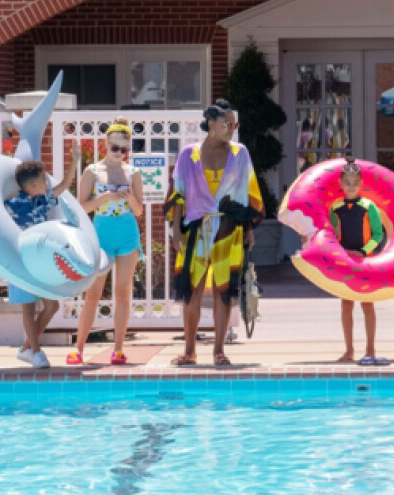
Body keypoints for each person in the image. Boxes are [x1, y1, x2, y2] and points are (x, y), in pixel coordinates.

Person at [164, 99, 264, 367]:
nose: (231, 129)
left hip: (229, 230)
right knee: (191, 291)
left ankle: (219, 350)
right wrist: (176, 231)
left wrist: (249, 229)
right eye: (225, 124)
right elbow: (178, 193)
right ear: (210, 124)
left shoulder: (240, 153)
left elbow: (248, 192)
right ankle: (189, 351)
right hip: (195, 232)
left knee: (224, 290)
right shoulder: (189, 154)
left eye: (234, 125)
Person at [66, 118, 143, 366]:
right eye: (115, 147)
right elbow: (82, 207)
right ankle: (78, 349)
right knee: (93, 293)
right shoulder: (92, 171)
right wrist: (105, 198)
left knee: (122, 293)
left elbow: (139, 211)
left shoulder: (133, 173)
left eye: (124, 149)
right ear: (105, 145)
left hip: (127, 232)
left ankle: (118, 349)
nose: (119, 153)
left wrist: (130, 199)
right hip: (101, 233)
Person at [4, 143, 80, 368]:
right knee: (28, 307)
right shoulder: (12, 205)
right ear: (33, 185)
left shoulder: (41, 200)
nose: (47, 183)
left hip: (40, 261)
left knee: (52, 306)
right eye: (44, 180)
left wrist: (75, 161)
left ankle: (26, 348)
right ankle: (36, 352)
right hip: (21, 260)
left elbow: (64, 186)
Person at [330, 157, 387, 366]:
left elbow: (378, 234)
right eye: (347, 183)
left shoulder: (369, 206)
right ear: (341, 183)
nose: (351, 186)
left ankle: (370, 349)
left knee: (367, 305)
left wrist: (363, 251)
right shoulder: (336, 207)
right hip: (345, 262)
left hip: (364, 262)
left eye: (355, 183)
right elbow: (331, 233)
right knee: (346, 306)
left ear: (361, 183)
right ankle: (349, 350)